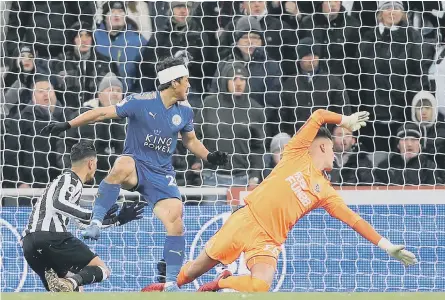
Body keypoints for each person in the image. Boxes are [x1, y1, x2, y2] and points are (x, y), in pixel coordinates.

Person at [142, 109, 417, 293]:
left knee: (261, 286)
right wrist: (343, 120)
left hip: (269, 241)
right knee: (188, 276)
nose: (335, 154)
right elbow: (319, 115)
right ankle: (168, 284)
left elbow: (354, 220)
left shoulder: (326, 191)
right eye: (333, 148)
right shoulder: (296, 153)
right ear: (322, 146)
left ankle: (221, 283)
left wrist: (388, 246)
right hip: (246, 220)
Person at [39, 57, 229, 291]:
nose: (190, 85)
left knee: (176, 221)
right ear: (174, 82)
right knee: (122, 164)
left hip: (161, 175)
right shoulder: (140, 102)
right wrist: (67, 125)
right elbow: (99, 113)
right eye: (186, 80)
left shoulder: (186, 112)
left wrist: (209, 157)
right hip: (136, 167)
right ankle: (96, 222)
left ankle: (171, 283)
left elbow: (190, 140)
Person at [21, 141, 143, 292]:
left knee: (73, 290)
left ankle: (67, 283)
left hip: (29, 245)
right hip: (51, 237)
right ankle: (70, 282)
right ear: (91, 164)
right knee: (101, 269)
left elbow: (82, 224)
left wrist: (117, 220)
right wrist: (94, 214)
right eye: (96, 163)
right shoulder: (70, 179)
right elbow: (58, 202)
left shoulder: (63, 182)